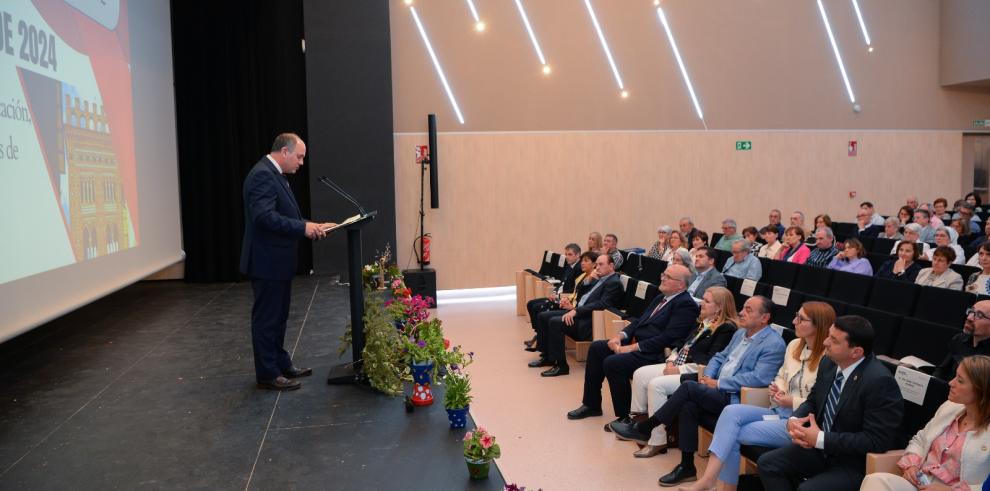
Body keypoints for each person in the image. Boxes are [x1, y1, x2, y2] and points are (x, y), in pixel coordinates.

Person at [610, 296, 786, 487]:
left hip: (737, 398)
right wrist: (707, 378)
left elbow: (758, 378)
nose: (742, 312)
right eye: (743, 308)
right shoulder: (740, 333)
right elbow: (719, 357)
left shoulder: (773, 344)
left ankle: (646, 427)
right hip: (716, 387)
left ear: (765, 318)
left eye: (749, 310)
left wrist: (718, 383)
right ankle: (687, 467)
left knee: (688, 387)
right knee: (689, 405)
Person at [683, 302, 835, 491]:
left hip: (799, 422)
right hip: (777, 410)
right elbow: (781, 375)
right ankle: (710, 481)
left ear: (818, 325)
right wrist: (777, 388)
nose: (794, 321)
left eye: (801, 318)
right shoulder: (795, 345)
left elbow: (824, 402)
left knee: (731, 433)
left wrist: (792, 401)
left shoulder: (829, 358)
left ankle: (721, 485)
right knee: (731, 412)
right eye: (796, 315)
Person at [757, 316, 905, 490]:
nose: (825, 342)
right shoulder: (829, 362)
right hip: (821, 449)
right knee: (768, 463)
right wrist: (794, 420)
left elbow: (876, 440)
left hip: (853, 462)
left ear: (856, 352)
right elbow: (813, 400)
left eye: (834, 340)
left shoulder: (879, 382)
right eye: (828, 335)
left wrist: (821, 438)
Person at [241, 133, 334, 391]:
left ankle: (280, 363)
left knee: (279, 317)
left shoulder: (275, 176)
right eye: (299, 156)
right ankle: (268, 374)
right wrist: (303, 228)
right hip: (265, 261)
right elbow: (264, 218)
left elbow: (286, 215)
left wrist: (311, 225)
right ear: (285, 152)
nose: (301, 163)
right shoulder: (262, 175)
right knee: (267, 319)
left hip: (277, 261)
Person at [567, 265, 700, 421]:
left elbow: (668, 338)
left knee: (613, 363)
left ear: (681, 285)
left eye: (668, 277)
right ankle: (591, 405)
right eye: (664, 274)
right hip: (638, 344)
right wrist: (620, 336)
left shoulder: (685, 304)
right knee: (597, 347)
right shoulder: (661, 297)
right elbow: (638, 322)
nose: (662, 278)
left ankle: (625, 416)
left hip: (654, 353)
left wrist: (631, 348)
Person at [627, 287, 738, 458]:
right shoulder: (703, 321)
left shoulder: (726, 329)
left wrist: (677, 369)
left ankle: (657, 440)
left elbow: (708, 362)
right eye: (703, 298)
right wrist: (671, 359)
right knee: (640, 374)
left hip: (695, 372)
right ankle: (637, 426)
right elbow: (681, 345)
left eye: (707, 301)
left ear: (720, 307)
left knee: (657, 385)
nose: (701, 303)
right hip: (677, 364)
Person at [861, 355, 990, 491]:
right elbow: (920, 440)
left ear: (981, 390)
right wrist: (912, 466)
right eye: (955, 376)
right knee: (875, 480)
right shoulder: (950, 407)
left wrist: (950, 490)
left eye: (960, 380)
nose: (951, 383)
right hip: (921, 483)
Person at [532, 253, 623, 376]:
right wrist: (588, 281)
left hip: (589, 320)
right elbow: (580, 293)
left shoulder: (614, 282)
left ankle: (561, 365)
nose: (597, 268)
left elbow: (602, 304)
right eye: (596, 265)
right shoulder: (599, 278)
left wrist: (576, 311)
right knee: (543, 316)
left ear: (611, 266)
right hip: (578, 311)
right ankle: (548, 357)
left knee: (555, 322)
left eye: (601, 264)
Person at [530, 252, 600, 353]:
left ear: (594, 264)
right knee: (537, 308)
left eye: (586, 261)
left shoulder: (595, 279)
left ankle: (545, 350)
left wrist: (572, 307)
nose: (582, 263)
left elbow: (587, 299)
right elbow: (576, 293)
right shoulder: (583, 275)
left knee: (544, 315)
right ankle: (542, 345)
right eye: (582, 261)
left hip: (579, 312)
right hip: (572, 305)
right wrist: (566, 299)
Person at [525, 244, 584, 350]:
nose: (567, 257)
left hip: (565, 299)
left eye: (570, 254)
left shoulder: (579, 268)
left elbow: (573, 289)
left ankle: (540, 338)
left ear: (578, 255)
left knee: (540, 308)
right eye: (566, 254)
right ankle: (538, 333)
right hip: (559, 295)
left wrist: (559, 296)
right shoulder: (569, 266)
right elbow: (561, 283)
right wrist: (555, 292)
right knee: (531, 304)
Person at [932, 301, 990, 382]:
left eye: (979, 315)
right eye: (971, 311)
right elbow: (942, 371)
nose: (969, 317)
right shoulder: (959, 339)